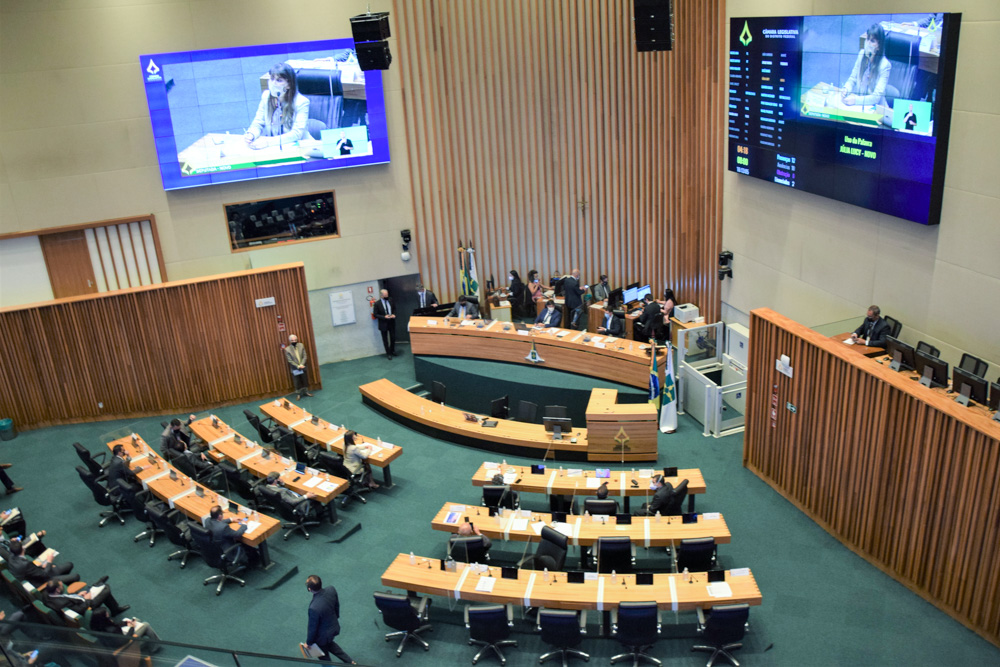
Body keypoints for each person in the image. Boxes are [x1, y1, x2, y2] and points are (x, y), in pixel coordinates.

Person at [243, 62, 310, 149]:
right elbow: (258, 122)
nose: (273, 83)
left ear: (289, 85)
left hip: (298, 147)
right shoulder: (266, 96)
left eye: (279, 80)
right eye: (272, 79)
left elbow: (297, 134)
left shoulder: (301, 102)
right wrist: (251, 134)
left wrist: (268, 142)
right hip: (274, 147)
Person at [304, 575, 355, 664]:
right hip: (334, 627)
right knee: (330, 645)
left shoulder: (314, 608)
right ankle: (350, 662)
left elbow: (312, 628)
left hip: (322, 636)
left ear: (309, 589)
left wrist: (308, 643)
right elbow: (336, 606)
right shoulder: (331, 589)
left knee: (323, 657)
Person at [840, 24, 890, 108]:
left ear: (879, 46)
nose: (868, 43)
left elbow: (876, 97)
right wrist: (846, 89)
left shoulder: (885, 65)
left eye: (872, 41)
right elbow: (852, 79)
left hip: (876, 108)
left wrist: (856, 100)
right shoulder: (861, 54)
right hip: (858, 105)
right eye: (867, 39)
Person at [41, 578, 130, 617]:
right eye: (61, 586)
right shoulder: (62, 603)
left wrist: (77, 596)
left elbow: (65, 597)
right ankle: (115, 610)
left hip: (77, 601)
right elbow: (80, 610)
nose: (62, 587)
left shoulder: (46, 594)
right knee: (106, 589)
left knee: (97, 589)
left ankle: (96, 585)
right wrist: (87, 599)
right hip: (87, 608)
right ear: (57, 590)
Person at [4, 539, 77, 586]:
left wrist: (43, 567)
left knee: (69, 565)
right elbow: (45, 574)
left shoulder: (11, 555)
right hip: (42, 581)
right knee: (76, 576)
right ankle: (63, 587)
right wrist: (49, 561)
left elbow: (32, 570)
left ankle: (63, 582)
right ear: (22, 549)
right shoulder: (26, 564)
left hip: (37, 573)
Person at [90, 607, 161, 651]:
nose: (108, 613)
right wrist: (132, 627)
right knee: (146, 625)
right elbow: (124, 640)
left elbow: (114, 626)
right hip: (125, 644)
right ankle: (155, 645)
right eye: (106, 613)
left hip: (114, 640)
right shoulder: (112, 629)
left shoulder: (97, 626)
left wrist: (124, 623)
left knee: (137, 620)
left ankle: (152, 640)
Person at [285, 334, 313, 400]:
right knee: (297, 381)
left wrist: (302, 364)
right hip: (295, 369)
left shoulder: (301, 345)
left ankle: (306, 392)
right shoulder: (287, 349)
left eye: (295, 340)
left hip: (303, 367)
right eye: (292, 340)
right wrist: (297, 366)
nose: (294, 341)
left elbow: (305, 356)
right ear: (290, 341)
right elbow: (289, 360)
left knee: (304, 379)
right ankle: (298, 394)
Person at [372, 288, 397, 359]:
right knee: (385, 339)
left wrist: (394, 314)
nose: (387, 296)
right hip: (383, 323)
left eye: (387, 295)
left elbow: (394, 308)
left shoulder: (391, 300)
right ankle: (388, 353)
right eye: (385, 295)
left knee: (393, 337)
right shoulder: (377, 304)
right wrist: (384, 317)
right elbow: (375, 314)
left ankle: (392, 350)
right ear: (381, 295)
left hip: (391, 322)